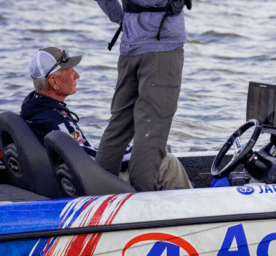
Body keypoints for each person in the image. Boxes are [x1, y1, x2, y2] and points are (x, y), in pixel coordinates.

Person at [90, 0, 221, 191]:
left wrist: (130, 19)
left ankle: (96, 191)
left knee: (119, 124)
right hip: (162, 52)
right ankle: (144, 201)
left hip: (130, 48)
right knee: (153, 127)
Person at [17, 47, 191, 189]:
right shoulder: (57, 121)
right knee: (167, 162)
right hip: (90, 188)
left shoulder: (33, 108)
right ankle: (192, 217)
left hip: (71, 178)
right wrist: (146, 150)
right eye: (69, 71)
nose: (77, 75)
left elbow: (83, 153)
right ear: (54, 82)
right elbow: (94, 161)